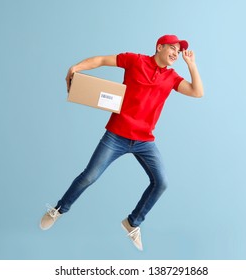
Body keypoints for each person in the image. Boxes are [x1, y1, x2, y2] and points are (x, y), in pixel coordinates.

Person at [40, 34, 204, 251]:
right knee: (89, 176)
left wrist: (191, 64)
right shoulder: (135, 60)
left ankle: (133, 223)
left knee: (161, 182)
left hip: (144, 140)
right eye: (172, 48)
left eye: (179, 50)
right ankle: (59, 209)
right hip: (116, 135)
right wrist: (76, 68)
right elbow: (100, 60)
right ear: (159, 47)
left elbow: (197, 92)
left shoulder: (172, 77)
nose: (176, 53)